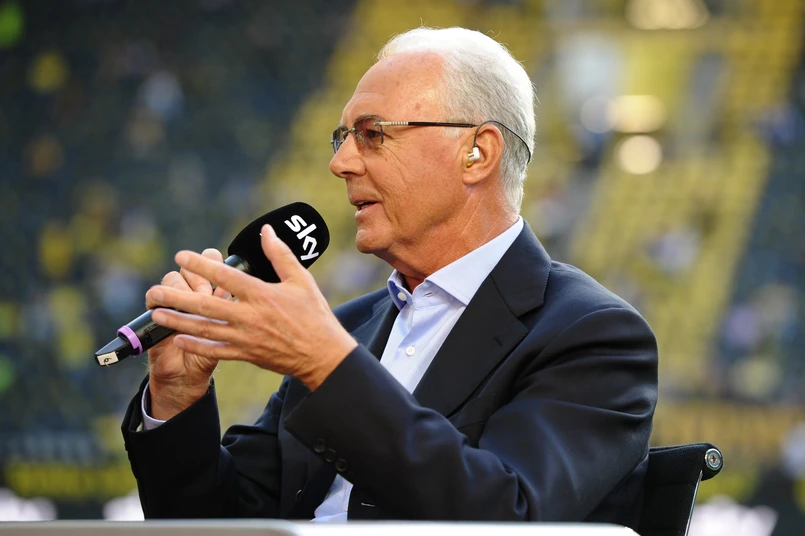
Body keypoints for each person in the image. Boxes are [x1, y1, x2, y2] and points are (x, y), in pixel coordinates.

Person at [121, 27, 658, 527]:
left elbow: (508, 517)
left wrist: (328, 365)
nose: (341, 163)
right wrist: (178, 395)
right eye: (342, 137)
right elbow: (223, 524)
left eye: (373, 134)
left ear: (477, 153)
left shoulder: (593, 335)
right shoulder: (346, 328)